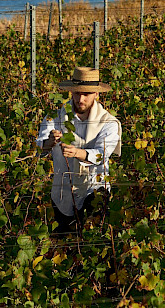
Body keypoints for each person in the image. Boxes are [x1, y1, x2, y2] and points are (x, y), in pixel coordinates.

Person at [36, 67, 121, 236]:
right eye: (77, 93)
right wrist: (50, 141)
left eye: (86, 94)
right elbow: (39, 147)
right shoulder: (55, 117)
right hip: (63, 194)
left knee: (92, 241)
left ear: (96, 94)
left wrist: (77, 153)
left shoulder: (109, 123)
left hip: (95, 191)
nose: (80, 99)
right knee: (64, 243)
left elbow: (101, 154)